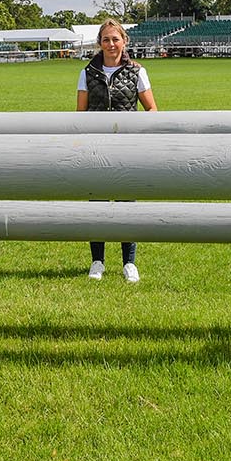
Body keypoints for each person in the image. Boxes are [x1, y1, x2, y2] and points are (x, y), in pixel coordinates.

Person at [76, 19, 158, 283]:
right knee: (96, 204)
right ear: (99, 43)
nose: (111, 44)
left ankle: (129, 263)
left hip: (126, 148)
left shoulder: (137, 71)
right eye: (106, 40)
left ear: (124, 41)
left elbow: (152, 110)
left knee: (126, 204)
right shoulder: (87, 72)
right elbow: (81, 114)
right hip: (97, 149)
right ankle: (97, 261)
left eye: (116, 39)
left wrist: (140, 137)